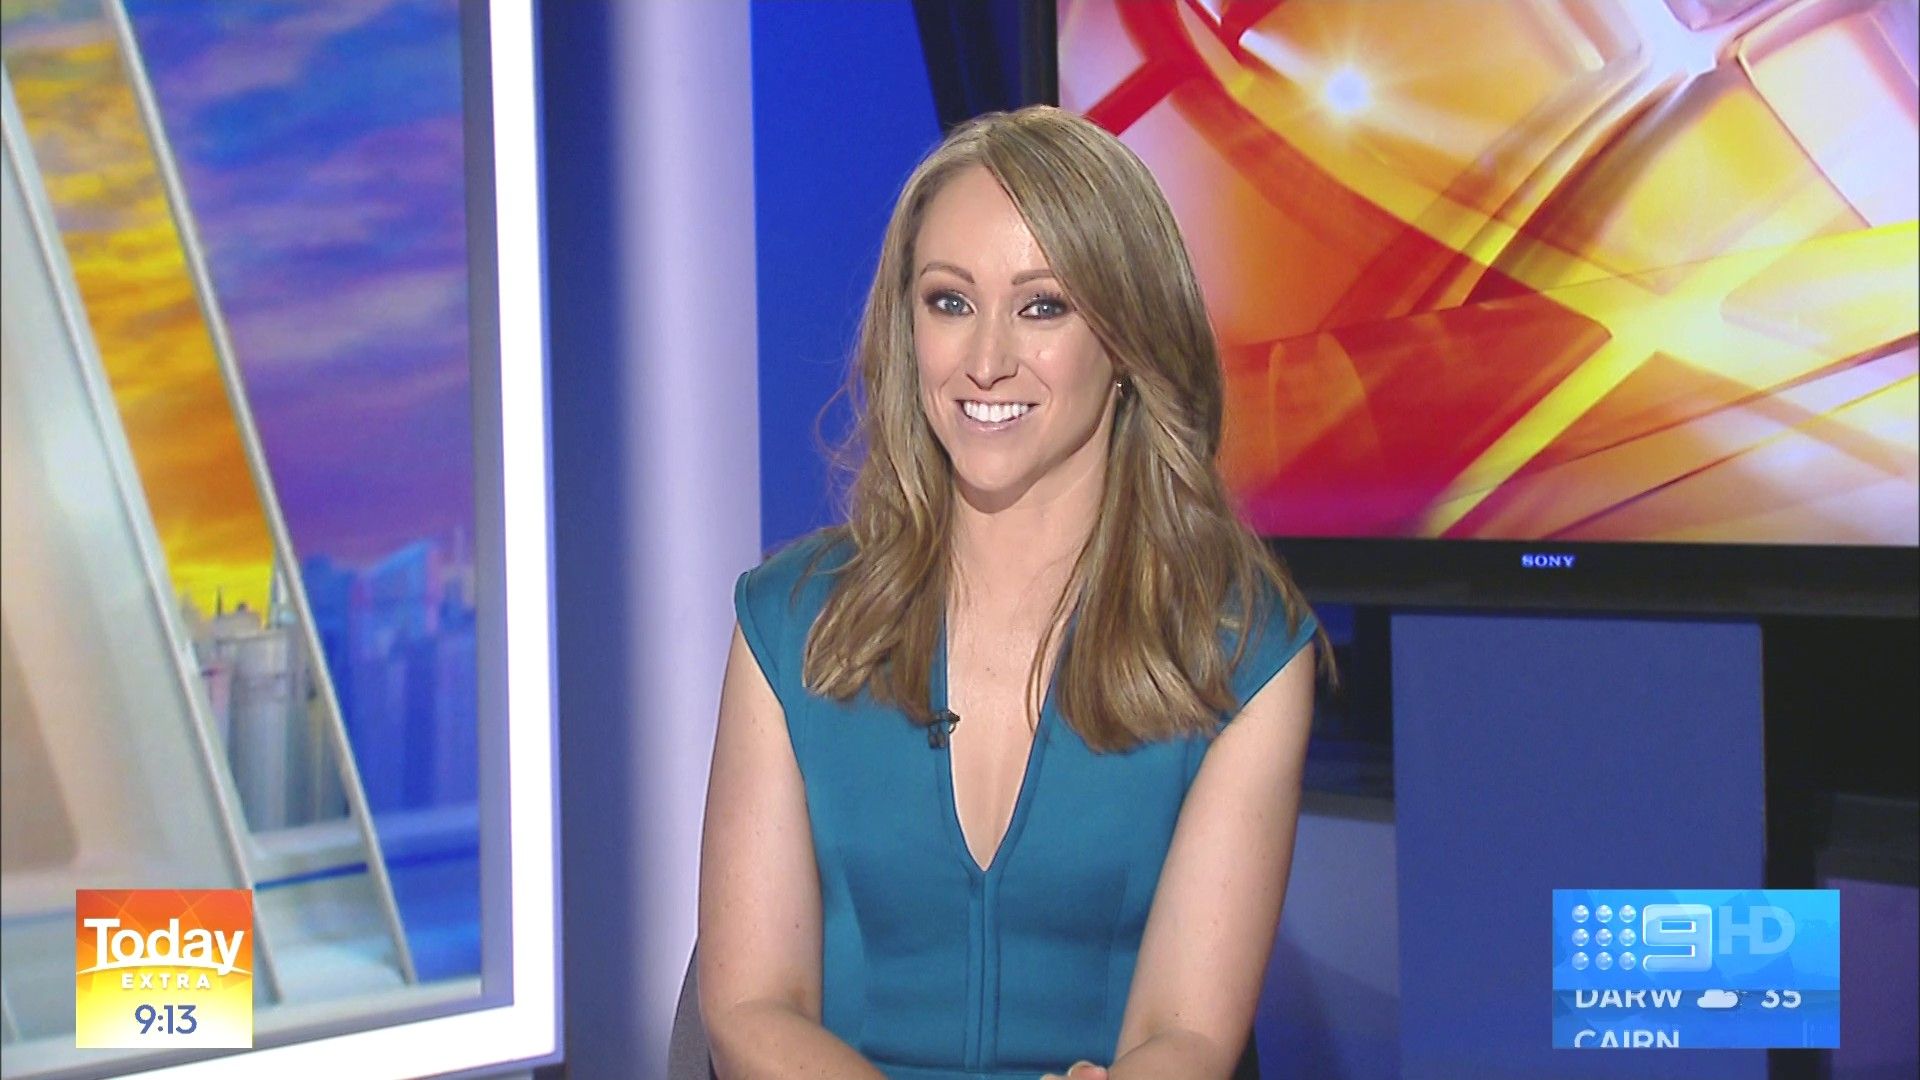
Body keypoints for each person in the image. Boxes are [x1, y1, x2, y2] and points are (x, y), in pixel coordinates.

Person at [697, 105, 1326, 1080]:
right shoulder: (790, 626)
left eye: (1042, 308)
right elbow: (750, 1009)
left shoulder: (1239, 651)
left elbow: (1186, 1035)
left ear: (1128, 339)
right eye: (950, 302)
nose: (986, 361)